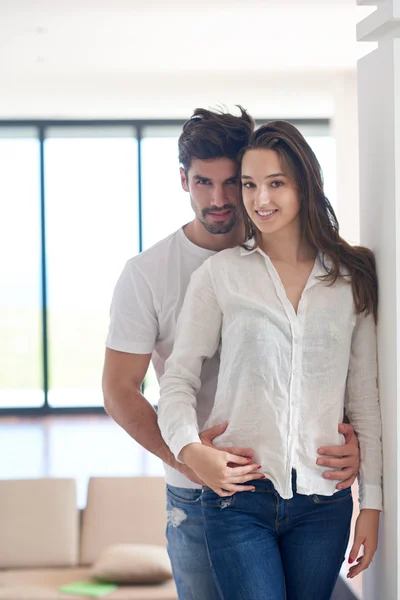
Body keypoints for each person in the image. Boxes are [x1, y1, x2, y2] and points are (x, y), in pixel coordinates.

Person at [103, 109, 361, 600]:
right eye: (203, 182)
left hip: (305, 486)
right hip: (199, 492)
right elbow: (119, 390)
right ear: (183, 179)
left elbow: (329, 361)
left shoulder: (297, 255)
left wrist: (355, 446)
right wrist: (190, 460)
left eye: (232, 182)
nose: (220, 199)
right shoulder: (147, 273)